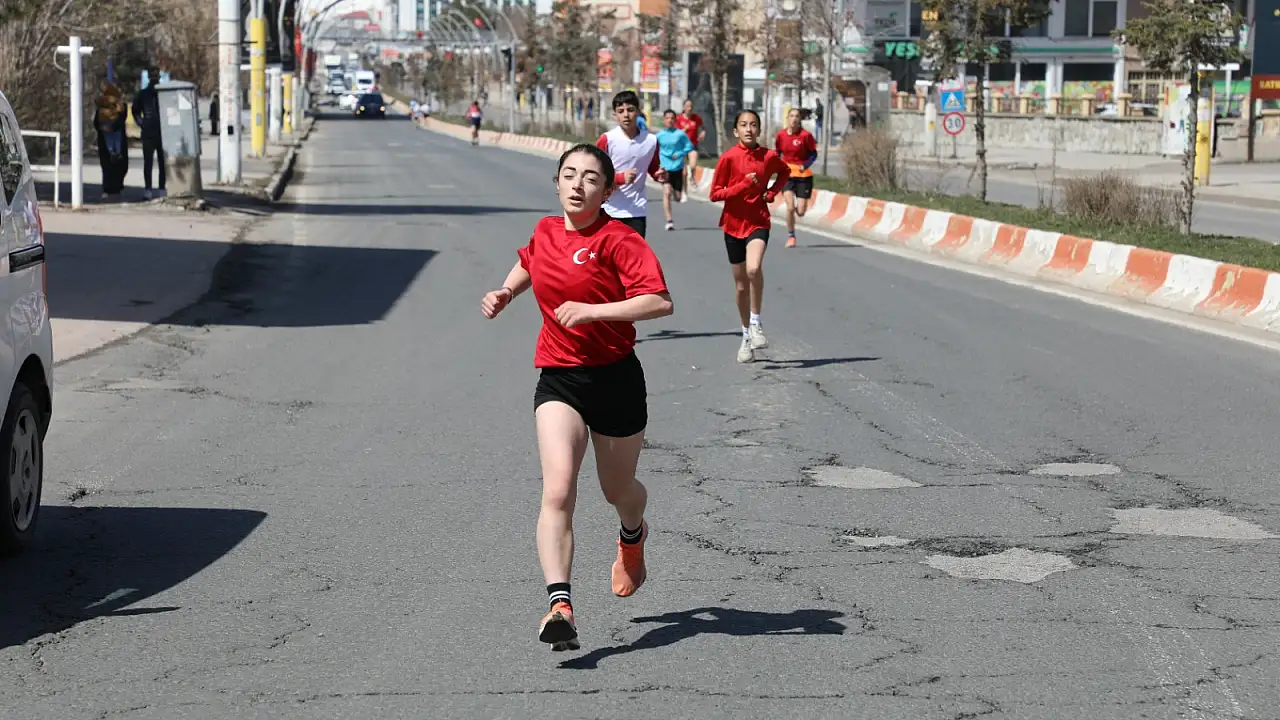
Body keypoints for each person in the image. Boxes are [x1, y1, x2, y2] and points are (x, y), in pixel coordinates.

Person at [479, 143, 674, 652]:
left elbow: (659, 301)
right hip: (560, 379)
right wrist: (505, 292)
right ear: (557, 182)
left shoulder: (619, 239)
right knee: (558, 490)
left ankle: (633, 534)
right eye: (569, 175)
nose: (577, 184)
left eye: (590, 178)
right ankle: (559, 604)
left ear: (608, 190)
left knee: (619, 491)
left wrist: (593, 312)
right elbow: (529, 262)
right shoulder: (546, 230)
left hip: (615, 380)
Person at [709, 109, 790, 364]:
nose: (748, 129)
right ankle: (745, 335)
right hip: (732, 226)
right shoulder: (729, 158)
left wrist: (772, 191)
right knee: (741, 284)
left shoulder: (768, 157)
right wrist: (742, 185)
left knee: (754, 269)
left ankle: (756, 322)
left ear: (759, 129)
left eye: (753, 125)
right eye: (743, 125)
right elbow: (715, 194)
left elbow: (785, 172)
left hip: (758, 222)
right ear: (735, 131)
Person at [595, 90, 666, 238]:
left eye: (630, 110)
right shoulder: (607, 140)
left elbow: (653, 167)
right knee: (607, 258)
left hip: (636, 211)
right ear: (615, 115)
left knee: (634, 258)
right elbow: (594, 175)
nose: (626, 115)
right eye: (620, 111)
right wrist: (620, 178)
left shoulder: (651, 141)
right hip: (608, 209)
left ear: (638, 112)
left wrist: (659, 175)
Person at [774, 107, 819, 248]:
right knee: (790, 207)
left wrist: (805, 166)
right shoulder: (781, 135)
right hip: (787, 175)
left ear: (800, 120)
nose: (794, 119)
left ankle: (800, 210)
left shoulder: (805, 136)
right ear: (787, 118)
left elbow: (813, 154)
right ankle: (791, 236)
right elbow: (777, 152)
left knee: (800, 211)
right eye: (791, 116)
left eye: (797, 116)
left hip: (803, 175)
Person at [655, 109, 695, 232]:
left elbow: (689, 147)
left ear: (675, 120)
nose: (669, 120)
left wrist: (680, 153)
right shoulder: (659, 135)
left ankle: (677, 191)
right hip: (665, 168)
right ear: (664, 120)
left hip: (677, 168)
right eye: (667, 118)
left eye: (672, 118)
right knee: (666, 193)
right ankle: (669, 221)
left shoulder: (680, 134)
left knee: (677, 197)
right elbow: (652, 149)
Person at [131, 70, 165, 200]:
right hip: (151, 131)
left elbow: (135, 111)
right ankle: (151, 188)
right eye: (154, 77)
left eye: (156, 77)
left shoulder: (162, 93)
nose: (155, 79)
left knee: (158, 163)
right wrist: (142, 123)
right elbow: (135, 111)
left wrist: (142, 123)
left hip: (158, 131)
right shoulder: (144, 94)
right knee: (150, 162)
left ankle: (156, 188)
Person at [93, 83, 129, 197]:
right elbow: (122, 120)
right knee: (117, 164)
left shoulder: (100, 106)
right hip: (116, 141)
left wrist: (104, 128)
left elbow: (96, 122)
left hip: (104, 139)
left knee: (107, 165)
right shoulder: (121, 105)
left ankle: (108, 188)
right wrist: (111, 127)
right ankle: (115, 187)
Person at [674, 99, 705, 195]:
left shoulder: (696, 118)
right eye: (687, 106)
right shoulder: (679, 118)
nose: (689, 108)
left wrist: (702, 133)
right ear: (684, 107)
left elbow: (703, 128)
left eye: (691, 106)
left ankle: (692, 179)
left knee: (693, 165)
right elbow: (675, 133)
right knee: (684, 172)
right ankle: (683, 189)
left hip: (692, 145)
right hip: (681, 147)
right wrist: (684, 130)